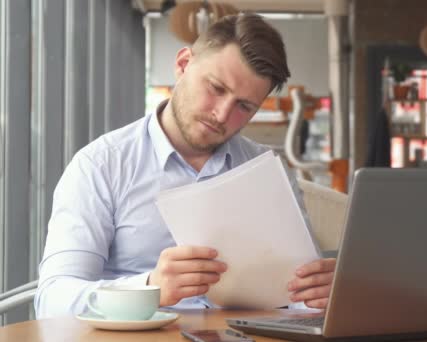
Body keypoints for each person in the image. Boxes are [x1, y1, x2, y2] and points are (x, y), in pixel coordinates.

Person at [35, 13, 336, 318]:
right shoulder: (101, 165)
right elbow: (52, 299)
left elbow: (301, 291)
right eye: (216, 88)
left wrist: (319, 293)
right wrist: (149, 288)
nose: (221, 114)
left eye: (244, 106)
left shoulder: (268, 169)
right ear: (182, 65)